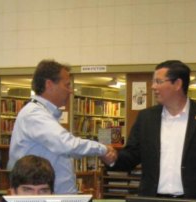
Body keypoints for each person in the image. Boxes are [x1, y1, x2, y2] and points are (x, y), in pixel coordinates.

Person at [110, 60, 196, 202]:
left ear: (178, 84)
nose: (153, 86)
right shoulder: (146, 118)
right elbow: (131, 156)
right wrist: (111, 158)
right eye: (153, 81)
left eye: (158, 81)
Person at [8, 59, 116, 194]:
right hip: (41, 200)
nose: (70, 91)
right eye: (67, 85)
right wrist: (103, 149)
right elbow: (66, 144)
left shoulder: (44, 114)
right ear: (49, 84)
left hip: (54, 198)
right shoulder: (34, 114)